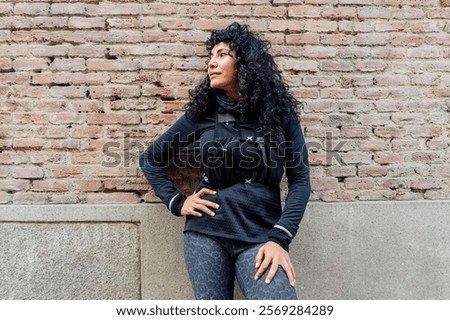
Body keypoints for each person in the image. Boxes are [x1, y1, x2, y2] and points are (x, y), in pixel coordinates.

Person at [139, 22, 310, 300]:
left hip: (261, 235)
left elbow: (300, 179)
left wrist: (280, 238)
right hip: (206, 234)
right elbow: (150, 159)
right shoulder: (203, 113)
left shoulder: (279, 113)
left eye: (222, 55)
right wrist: (179, 202)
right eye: (211, 57)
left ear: (244, 62)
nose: (211, 64)